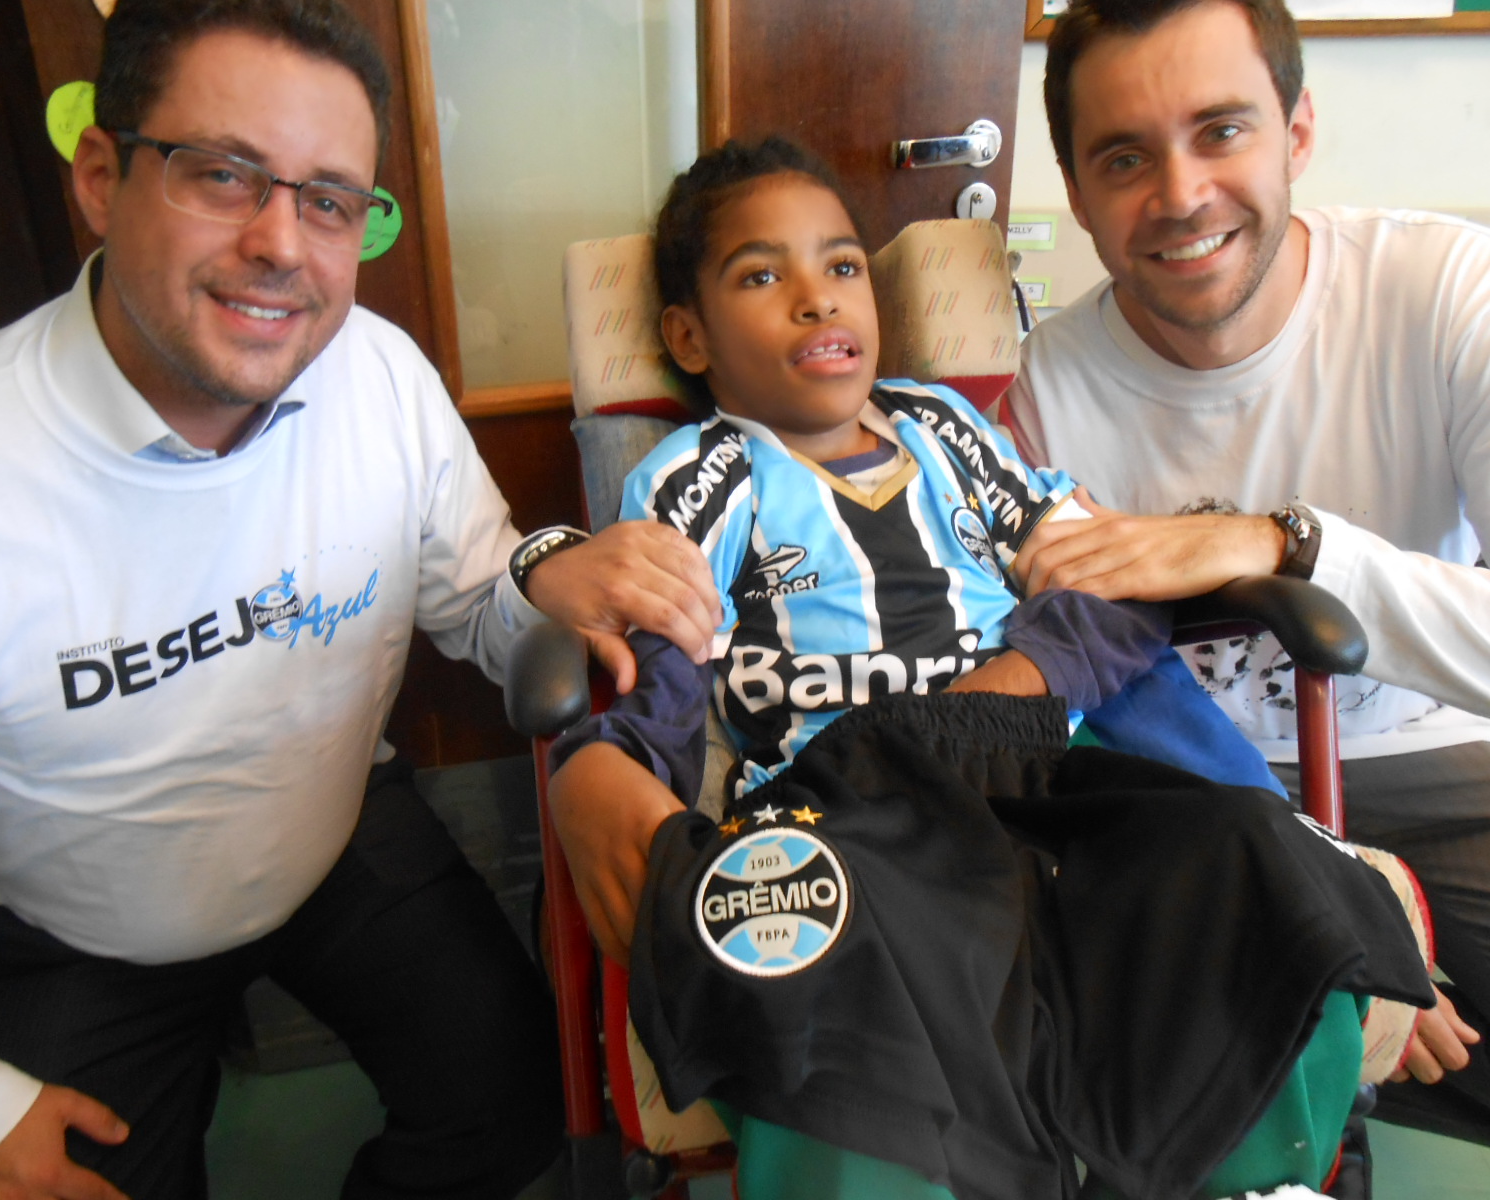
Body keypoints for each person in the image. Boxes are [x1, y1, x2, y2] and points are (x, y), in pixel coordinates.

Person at [0, 2, 723, 1198]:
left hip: (333, 830)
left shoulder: (374, 372)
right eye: (224, 175)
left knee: (515, 1105)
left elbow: (477, 600)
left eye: (330, 200)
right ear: (99, 175)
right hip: (84, 921)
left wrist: (546, 576)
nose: (282, 242)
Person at [545, 136, 1434, 1200]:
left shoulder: (950, 429)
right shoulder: (701, 476)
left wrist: (1019, 681)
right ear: (688, 335)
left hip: (1036, 776)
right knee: (818, 957)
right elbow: (658, 657)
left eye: (840, 267)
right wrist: (608, 761)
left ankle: (1254, 1177)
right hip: (852, 804)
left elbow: (1096, 579)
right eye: (760, 276)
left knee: (1235, 854)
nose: (817, 302)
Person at [1002, 0, 1489, 1153]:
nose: (1178, 195)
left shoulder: (1443, 287)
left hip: (1445, 765)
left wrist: (1289, 542)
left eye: (1221, 130)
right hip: (1198, 806)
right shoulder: (1043, 391)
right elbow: (1076, 719)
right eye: (1124, 157)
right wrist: (1328, 894)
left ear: (1297, 133)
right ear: (1076, 193)